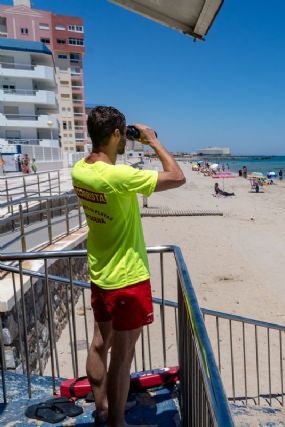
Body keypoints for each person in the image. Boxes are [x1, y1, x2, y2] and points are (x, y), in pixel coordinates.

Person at [72, 106, 185, 427]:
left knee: (99, 343)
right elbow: (177, 176)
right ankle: (117, 423)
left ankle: (103, 408)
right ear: (117, 134)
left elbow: (108, 166)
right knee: (122, 358)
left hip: (100, 271)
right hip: (127, 278)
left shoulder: (80, 169)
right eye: (124, 136)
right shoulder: (118, 177)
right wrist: (152, 141)